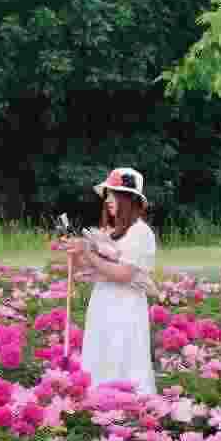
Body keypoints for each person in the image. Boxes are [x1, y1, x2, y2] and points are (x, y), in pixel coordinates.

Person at [72, 167, 159, 395]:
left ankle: (127, 405)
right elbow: (92, 269)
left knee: (121, 353)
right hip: (104, 301)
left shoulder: (140, 233)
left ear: (129, 200)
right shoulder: (112, 233)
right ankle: (100, 403)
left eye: (113, 195)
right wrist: (78, 254)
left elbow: (123, 274)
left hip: (125, 305)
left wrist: (89, 254)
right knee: (102, 351)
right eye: (107, 195)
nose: (108, 201)